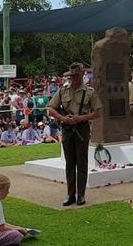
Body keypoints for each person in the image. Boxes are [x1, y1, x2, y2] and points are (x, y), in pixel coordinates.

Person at [47, 63, 102, 207]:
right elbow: (51, 108)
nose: (73, 78)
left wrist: (81, 118)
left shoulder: (89, 92)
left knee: (81, 162)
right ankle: (70, 194)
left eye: (76, 76)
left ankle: (81, 194)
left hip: (81, 128)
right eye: (71, 76)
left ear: (82, 75)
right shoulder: (63, 90)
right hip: (66, 128)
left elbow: (97, 112)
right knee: (69, 163)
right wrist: (62, 118)